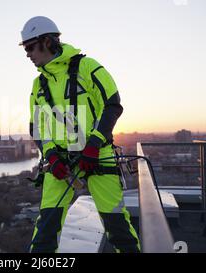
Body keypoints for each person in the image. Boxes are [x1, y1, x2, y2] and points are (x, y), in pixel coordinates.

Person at [21, 16, 140, 253]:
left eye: (30, 47)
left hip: (97, 156)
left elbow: (112, 105)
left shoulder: (88, 67)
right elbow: (37, 127)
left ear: (46, 41)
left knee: (117, 228)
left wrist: (93, 145)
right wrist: (52, 156)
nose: (27, 54)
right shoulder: (38, 84)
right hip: (60, 163)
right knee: (45, 230)